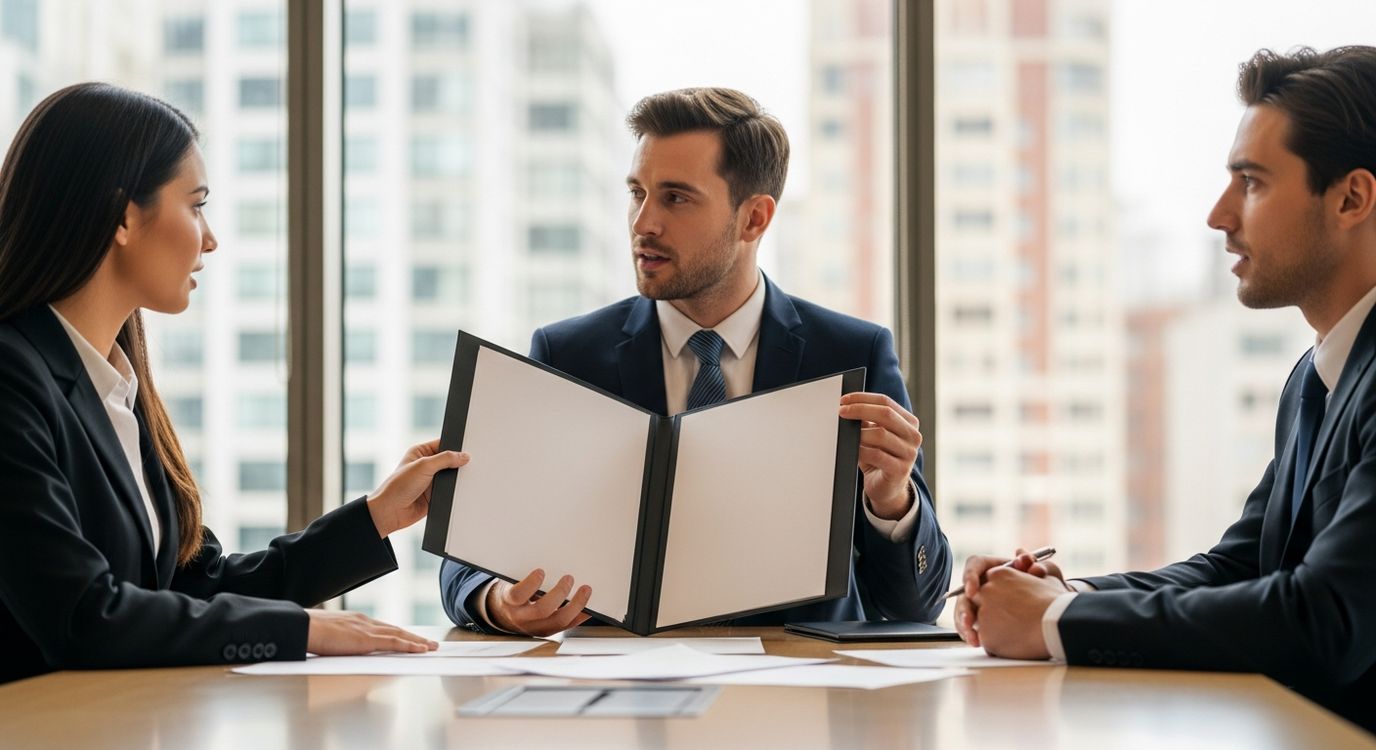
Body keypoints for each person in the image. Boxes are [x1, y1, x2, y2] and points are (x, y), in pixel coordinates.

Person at [953, 46, 1376, 732]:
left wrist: (1056, 620)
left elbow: (1323, 617)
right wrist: (1062, 592)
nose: (1218, 215)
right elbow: (1236, 569)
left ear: (1351, 198)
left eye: (1253, 184)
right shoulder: (1315, 376)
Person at [0, 82, 469, 683]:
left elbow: (197, 583)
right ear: (123, 216)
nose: (211, 238)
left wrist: (376, 516)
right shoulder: (12, 377)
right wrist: (299, 631)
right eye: (195, 205)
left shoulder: (112, 383)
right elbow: (83, 615)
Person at [441, 87, 951, 636]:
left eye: (675, 198)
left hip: (800, 697)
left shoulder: (851, 354)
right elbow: (465, 559)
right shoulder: (568, 353)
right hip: (619, 693)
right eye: (637, 193)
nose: (643, 224)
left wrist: (892, 503)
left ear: (754, 218)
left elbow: (914, 609)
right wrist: (497, 600)